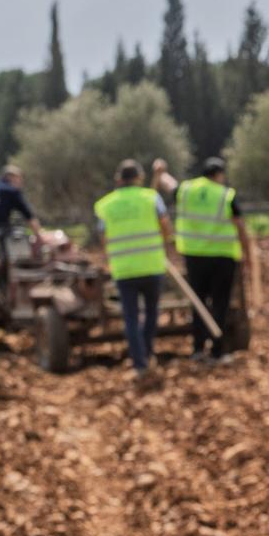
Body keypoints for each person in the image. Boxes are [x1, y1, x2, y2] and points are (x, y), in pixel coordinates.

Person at [94, 159, 173, 384]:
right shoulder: (150, 197)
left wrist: (110, 257)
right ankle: (147, 353)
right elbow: (166, 226)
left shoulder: (106, 204)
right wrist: (165, 240)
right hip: (152, 264)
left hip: (124, 268)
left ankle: (140, 363)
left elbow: (103, 236)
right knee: (151, 313)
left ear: (119, 179)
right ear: (138, 178)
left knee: (130, 317)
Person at [174, 156, 252, 362]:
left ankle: (198, 349)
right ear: (219, 174)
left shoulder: (186, 190)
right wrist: (247, 254)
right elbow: (240, 226)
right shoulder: (225, 194)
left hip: (194, 256)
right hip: (222, 257)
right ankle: (217, 351)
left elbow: (169, 185)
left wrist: (160, 174)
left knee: (198, 303)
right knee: (220, 304)